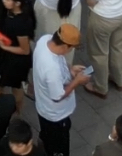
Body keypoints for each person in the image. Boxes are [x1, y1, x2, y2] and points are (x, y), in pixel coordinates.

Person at [31, 24, 91, 156]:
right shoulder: (51, 69)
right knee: (58, 147)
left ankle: (43, 145)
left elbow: (60, 60)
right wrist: (77, 81)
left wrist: (70, 69)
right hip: (55, 116)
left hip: (43, 107)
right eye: (71, 48)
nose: (70, 51)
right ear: (65, 46)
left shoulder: (45, 40)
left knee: (47, 135)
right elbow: (57, 96)